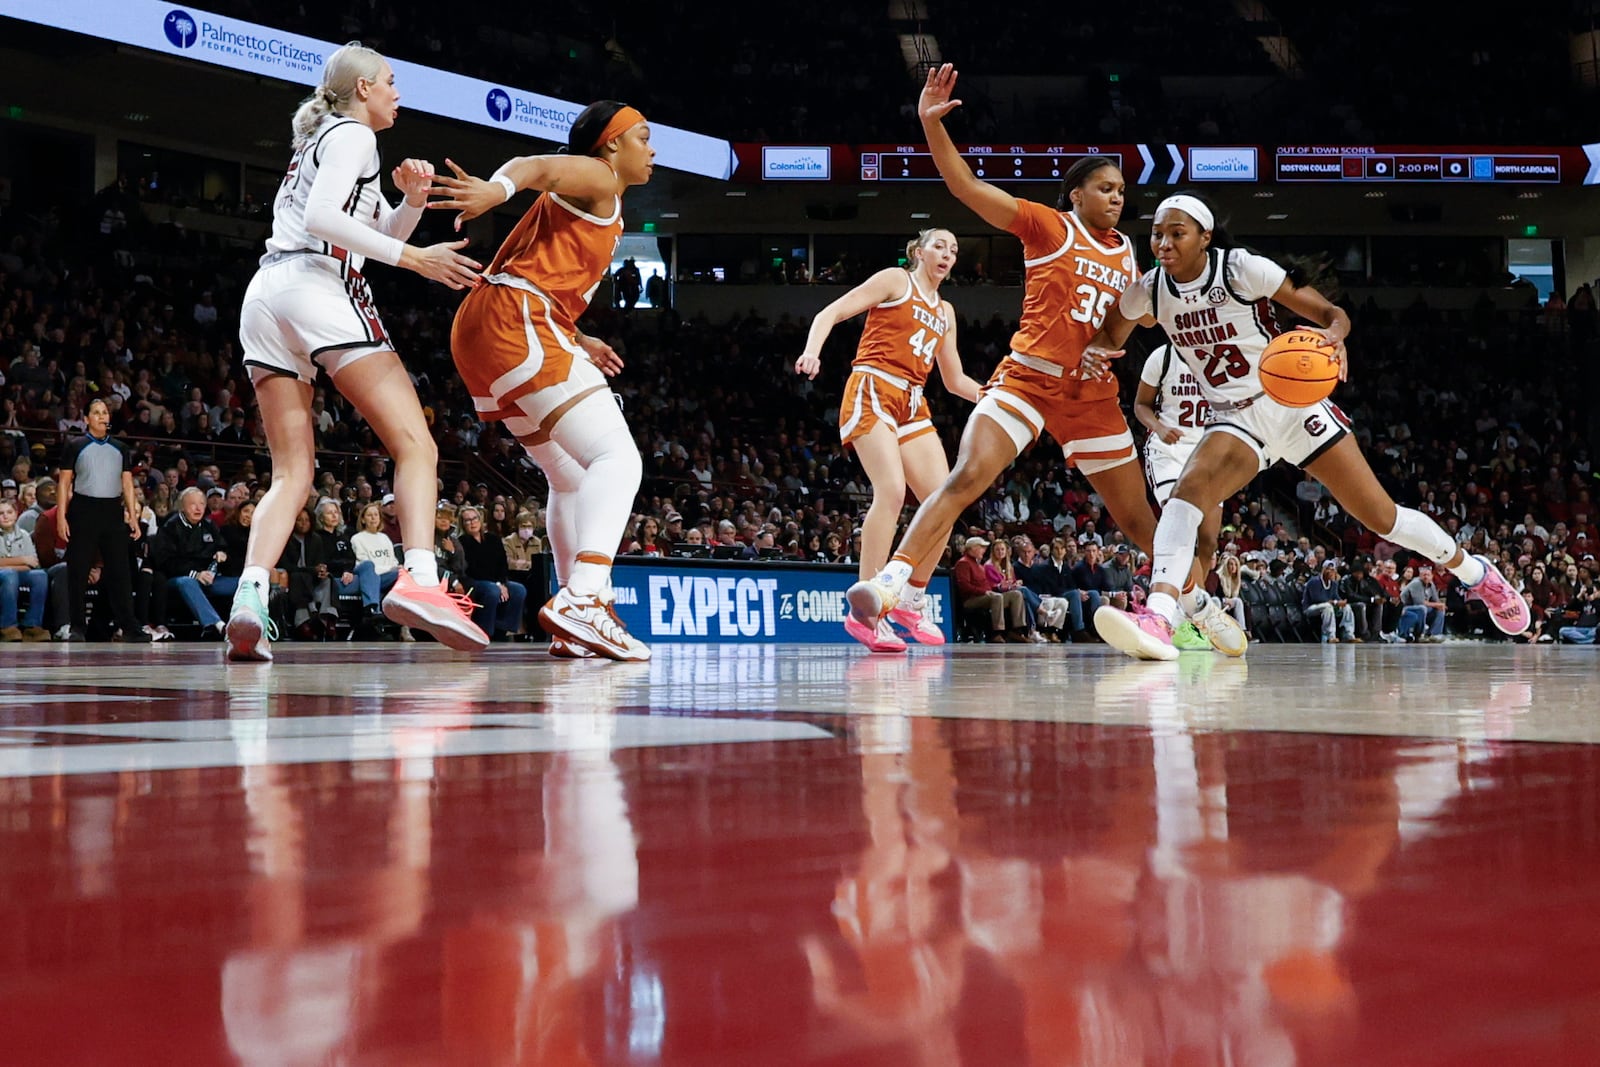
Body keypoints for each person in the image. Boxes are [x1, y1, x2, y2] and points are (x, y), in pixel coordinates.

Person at [842, 65, 1240, 656]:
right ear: (1077, 194)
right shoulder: (1048, 226)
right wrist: (931, 127)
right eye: (1105, 188)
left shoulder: (1131, 252)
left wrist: (1123, 336)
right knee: (966, 477)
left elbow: (1139, 317)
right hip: (1027, 379)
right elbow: (967, 189)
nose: (1117, 198)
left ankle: (1191, 610)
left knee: (1139, 521)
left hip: (1091, 398)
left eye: (1123, 192)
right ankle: (889, 584)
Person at [1083, 191, 1528, 660]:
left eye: (1177, 233)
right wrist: (1095, 352)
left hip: (1292, 404)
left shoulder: (1240, 269)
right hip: (1236, 418)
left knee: (1381, 517)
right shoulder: (1149, 289)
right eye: (1157, 234)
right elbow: (1111, 332)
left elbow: (1331, 314)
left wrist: (1333, 338)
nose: (1164, 243)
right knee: (1185, 498)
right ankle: (1158, 617)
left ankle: (1478, 576)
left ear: (1205, 237)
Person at [224, 42, 488, 662]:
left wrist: (412, 206)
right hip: (317, 284)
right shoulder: (353, 137)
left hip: (266, 296)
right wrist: (421, 259)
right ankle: (421, 577)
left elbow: (365, 238)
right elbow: (325, 222)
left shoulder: (325, 144)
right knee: (416, 444)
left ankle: (249, 598)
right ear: (363, 88)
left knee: (292, 474)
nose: (399, 92)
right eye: (392, 82)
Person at [428, 100, 655, 661]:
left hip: (490, 325)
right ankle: (584, 599)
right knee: (619, 461)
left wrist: (577, 339)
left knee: (568, 476)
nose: (652, 150)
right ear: (610, 144)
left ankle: (572, 619)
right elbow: (536, 165)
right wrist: (497, 190)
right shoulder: (600, 177)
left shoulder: (598, 201)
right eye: (643, 137)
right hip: (514, 319)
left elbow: (541, 276)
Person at [794, 227, 980, 650]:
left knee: (944, 502)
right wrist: (812, 350)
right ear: (919, 251)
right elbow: (831, 313)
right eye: (939, 245)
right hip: (873, 386)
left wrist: (992, 394)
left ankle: (910, 601)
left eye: (954, 249)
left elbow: (953, 380)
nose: (947, 254)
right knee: (892, 491)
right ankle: (867, 607)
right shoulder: (897, 280)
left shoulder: (946, 311)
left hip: (913, 401)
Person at [1134, 342, 1219, 652]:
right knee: (1183, 530)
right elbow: (1141, 405)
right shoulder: (1164, 355)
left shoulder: (1225, 354)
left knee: (1208, 542)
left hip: (1209, 452)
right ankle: (1184, 621)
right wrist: (1159, 426)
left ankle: (1189, 609)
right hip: (1169, 451)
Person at [57, 397, 150, 642]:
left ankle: (129, 626)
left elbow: (128, 483)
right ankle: (77, 626)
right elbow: (64, 482)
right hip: (83, 509)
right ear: (86, 419)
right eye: (96, 412)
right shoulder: (75, 445)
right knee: (78, 570)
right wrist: (61, 517)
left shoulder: (120, 448)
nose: (102, 416)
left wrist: (131, 514)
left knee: (121, 571)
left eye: (105, 412)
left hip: (112, 511)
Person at [458, 504, 527, 641]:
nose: (472, 523)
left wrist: (501, 582)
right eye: (467, 520)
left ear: (480, 519)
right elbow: (473, 570)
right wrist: (497, 584)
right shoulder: (462, 542)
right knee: (492, 591)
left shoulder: (493, 539)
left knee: (519, 590)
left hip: (496, 580)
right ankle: (485, 631)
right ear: (463, 524)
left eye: (475, 518)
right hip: (473, 581)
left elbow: (502, 564)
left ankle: (502, 628)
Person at [0, 499, 50, 641]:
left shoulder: (24, 535)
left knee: (40, 575)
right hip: (5, 575)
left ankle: (32, 625)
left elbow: (32, 563)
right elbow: (26, 561)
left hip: (15, 573)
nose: (5, 516)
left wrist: (8, 565)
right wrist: (21, 560)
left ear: (16, 514)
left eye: (9, 512)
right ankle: (7, 626)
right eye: (1, 513)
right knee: (9, 575)